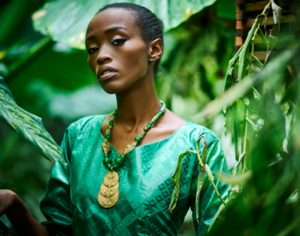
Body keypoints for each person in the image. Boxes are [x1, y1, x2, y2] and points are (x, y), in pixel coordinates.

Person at [0, 3, 230, 236]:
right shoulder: (79, 135)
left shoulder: (196, 144)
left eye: (118, 41)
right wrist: (14, 204)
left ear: (154, 49)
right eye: (91, 49)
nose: (101, 56)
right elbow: (57, 233)